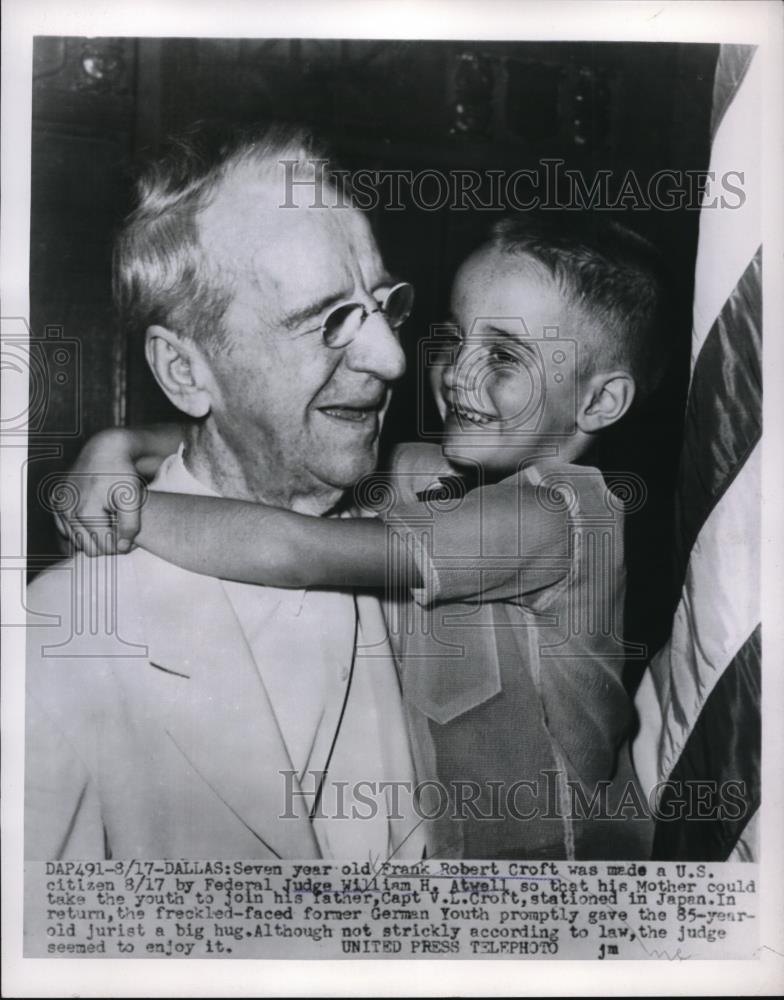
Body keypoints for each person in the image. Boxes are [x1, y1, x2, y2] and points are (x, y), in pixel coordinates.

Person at [62, 213, 669, 859]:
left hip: (550, 879)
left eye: (501, 356)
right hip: (448, 865)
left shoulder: (562, 514)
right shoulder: (438, 473)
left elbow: (295, 552)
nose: (457, 374)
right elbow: (282, 448)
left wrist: (129, 511)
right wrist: (118, 445)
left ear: (600, 403)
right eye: (454, 340)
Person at [24, 123, 428, 861]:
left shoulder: (430, 536)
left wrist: (118, 443)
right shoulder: (55, 642)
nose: (392, 357)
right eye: (329, 321)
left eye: (383, 303)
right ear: (184, 372)